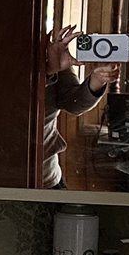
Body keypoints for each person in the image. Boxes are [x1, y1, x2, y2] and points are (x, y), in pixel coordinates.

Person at [40, 25, 120, 189]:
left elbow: (73, 103)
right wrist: (46, 73)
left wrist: (97, 80)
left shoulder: (45, 48)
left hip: (47, 176)